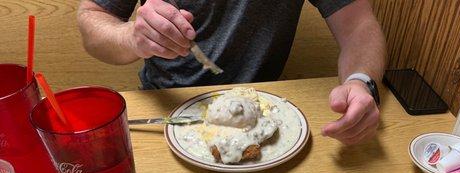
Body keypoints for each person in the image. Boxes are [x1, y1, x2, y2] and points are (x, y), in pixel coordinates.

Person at [78, 0, 386, 145]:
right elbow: (92, 20)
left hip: (268, 119)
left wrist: (360, 82)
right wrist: (133, 37)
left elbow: (359, 25)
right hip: (167, 114)